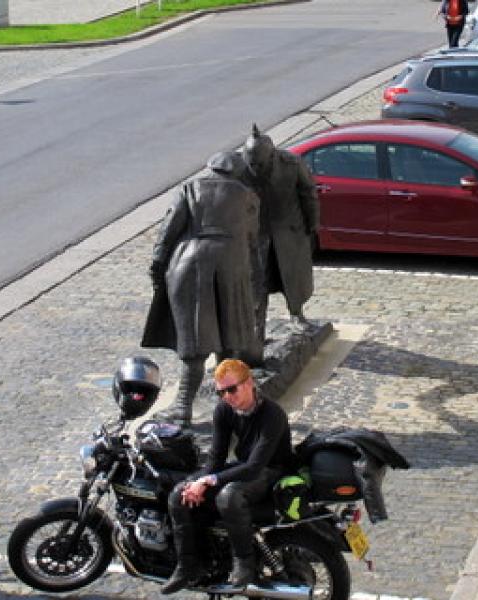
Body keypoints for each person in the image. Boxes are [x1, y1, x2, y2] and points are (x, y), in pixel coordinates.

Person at [141, 152, 262, 428]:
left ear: (211, 168)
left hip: (192, 265)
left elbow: (168, 231)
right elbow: (254, 242)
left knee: (196, 343)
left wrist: (157, 266)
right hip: (233, 267)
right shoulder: (249, 197)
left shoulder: (190, 188)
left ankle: (183, 406)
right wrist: (255, 280)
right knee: (230, 341)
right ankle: (231, 407)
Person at [161, 359, 296, 594]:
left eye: (231, 389)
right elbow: (216, 458)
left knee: (228, 496)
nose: (227, 396)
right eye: (220, 391)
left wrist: (210, 480)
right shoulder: (224, 409)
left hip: (272, 470)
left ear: (249, 383)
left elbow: (255, 466)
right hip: (246, 466)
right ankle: (189, 565)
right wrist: (196, 483)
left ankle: (244, 561)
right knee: (178, 495)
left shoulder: (272, 415)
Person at [239, 125, 318, 344]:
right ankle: (257, 328)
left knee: (293, 277)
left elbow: (308, 193)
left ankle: (297, 313)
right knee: (257, 281)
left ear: (272, 155)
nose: (255, 167)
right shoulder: (238, 167)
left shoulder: (292, 164)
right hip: (256, 234)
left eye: (260, 163)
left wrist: (312, 224)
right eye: (251, 162)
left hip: (288, 231)